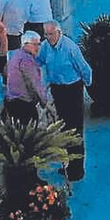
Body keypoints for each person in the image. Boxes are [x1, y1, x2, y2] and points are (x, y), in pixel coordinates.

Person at [40, 20, 92, 180]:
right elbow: (39, 61)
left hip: (72, 89)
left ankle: (77, 169)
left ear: (59, 33)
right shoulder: (45, 47)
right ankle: (68, 164)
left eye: (51, 34)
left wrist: (87, 85)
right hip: (58, 89)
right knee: (64, 127)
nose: (49, 37)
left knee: (75, 129)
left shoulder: (70, 48)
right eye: (46, 34)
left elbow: (85, 69)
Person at [4, 28, 51, 127]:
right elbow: (34, 83)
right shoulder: (27, 60)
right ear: (26, 44)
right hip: (23, 104)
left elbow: (5, 71)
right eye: (35, 45)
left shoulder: (16, 55)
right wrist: (44, 102)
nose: (38, 48)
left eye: (39, 44)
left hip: (11, 100)